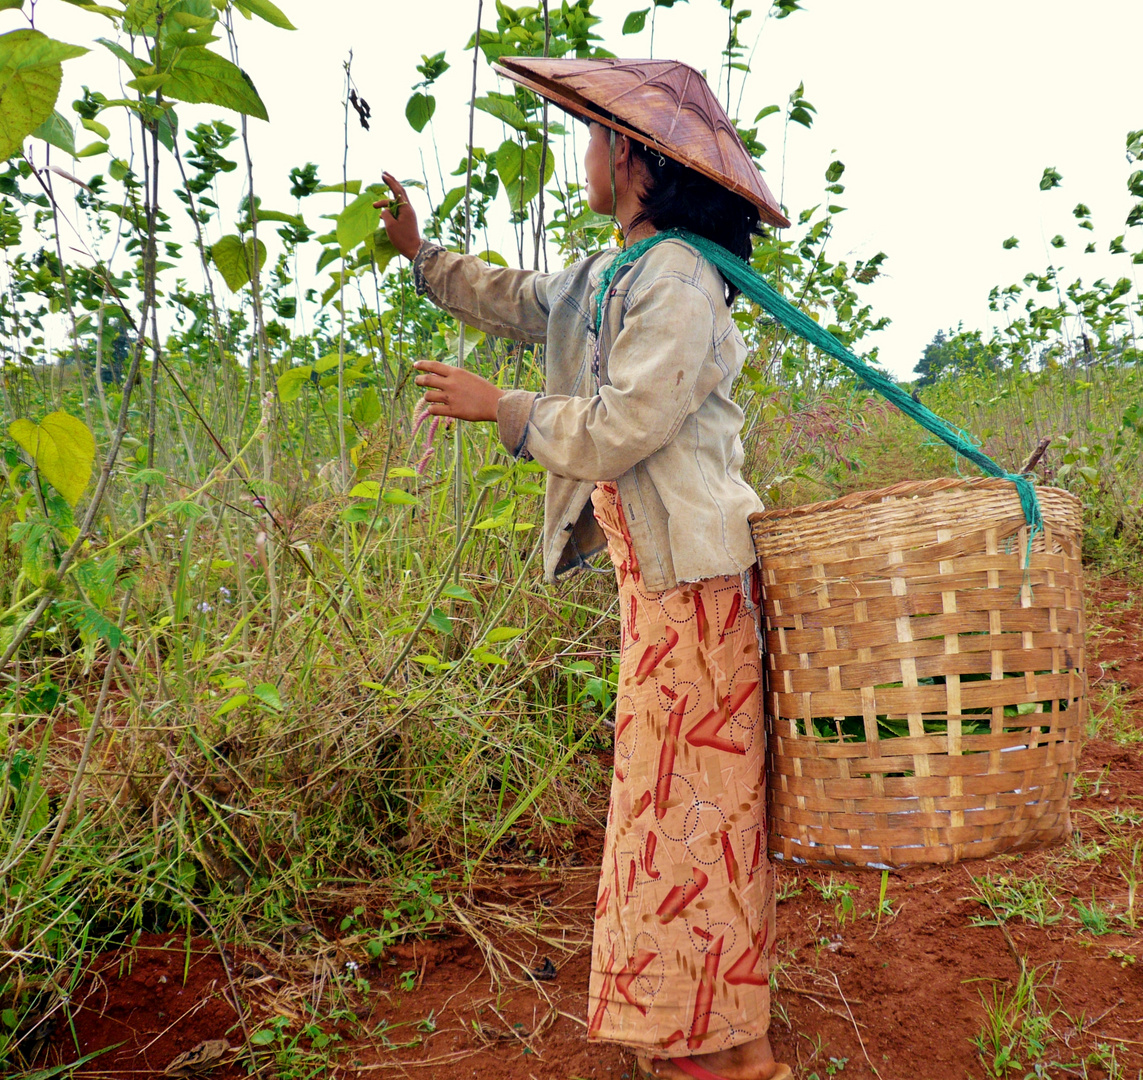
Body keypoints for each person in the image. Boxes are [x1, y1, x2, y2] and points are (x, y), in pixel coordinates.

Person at [376, 57, 792, 1080]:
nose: (586, 154)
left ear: (637, 159)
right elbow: (519, 299)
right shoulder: (618, 275)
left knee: (693, 817)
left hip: (698, 588)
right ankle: (711, 1042)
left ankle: (722, 1052)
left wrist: (503, 409)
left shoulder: (680, 282)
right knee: (677, 812)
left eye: (596, 138)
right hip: (662, 587)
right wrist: (422, 256)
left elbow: (622, 427)